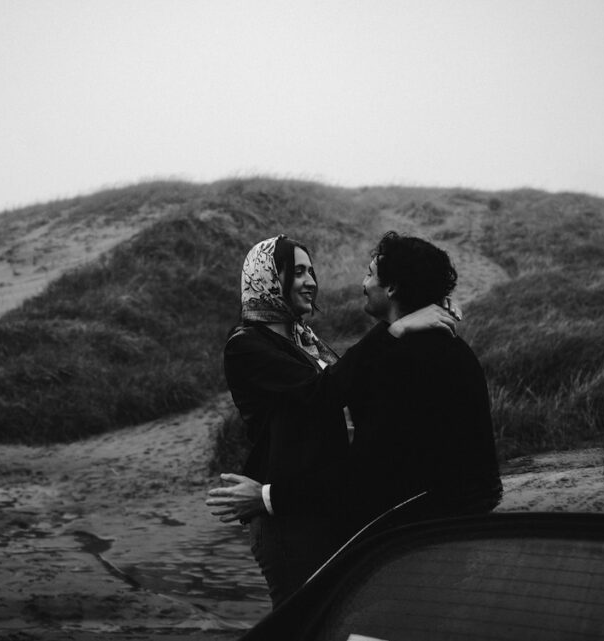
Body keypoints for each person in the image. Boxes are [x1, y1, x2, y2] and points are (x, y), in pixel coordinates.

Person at [209, 232, 502, 563]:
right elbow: (325, 394)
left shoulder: (306, 340)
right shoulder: (247, 345)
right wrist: (395, 329)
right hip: (294, 516)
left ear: (391, 288)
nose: (311, 282)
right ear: (266, 278)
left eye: (310, 271)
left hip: (343, 514)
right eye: (298, 271)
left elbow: (374, 464)